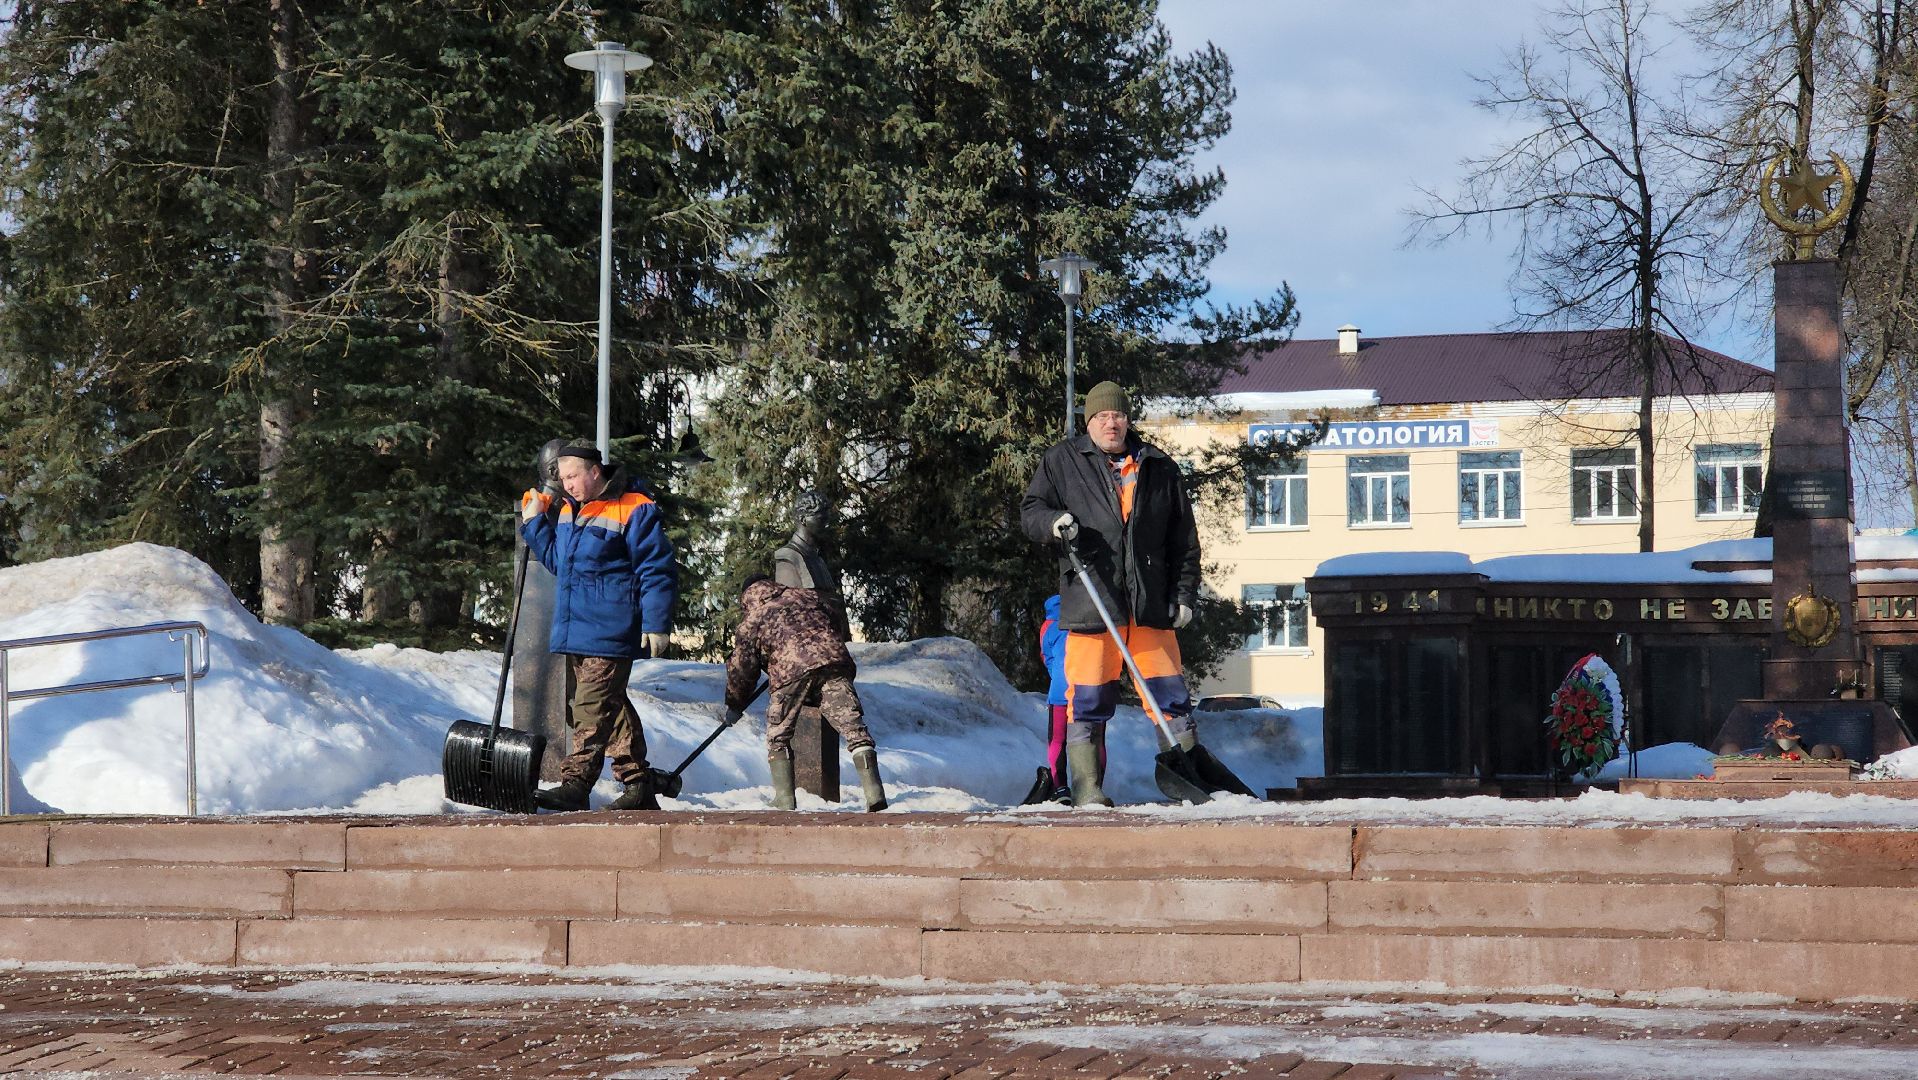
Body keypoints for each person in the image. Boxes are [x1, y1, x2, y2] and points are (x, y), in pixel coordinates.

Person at [1019, 380, 1204, 806]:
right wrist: (1053, 522)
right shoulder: (1061, 462)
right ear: (1090, 422)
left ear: (1127, 420)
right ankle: (1087, 789)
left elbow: (1184, 542)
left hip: (1150, 607)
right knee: (1086, 697)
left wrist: (1184, 597)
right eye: (1102, 416)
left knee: (1170, 696)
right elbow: (1030, 512)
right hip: (1092, 602)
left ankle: (1191, 781)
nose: (1111, 423)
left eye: (1118, 415)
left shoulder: (1160, 467)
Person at [518, 441, 678, 812]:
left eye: (573, 476)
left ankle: (576, 784)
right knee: (611, 706)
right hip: (577, 628)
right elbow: (559, 562)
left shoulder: (634, 506)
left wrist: (656, 622)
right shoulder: (567, 512)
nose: (567, 485)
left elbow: (656, 567)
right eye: (563, 478)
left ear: (594, 471)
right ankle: (637, 783)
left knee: (590, 707)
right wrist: (533, 522)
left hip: (612, 628)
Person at [723, 574, 888, 812]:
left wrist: (735, 704)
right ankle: (874, 793)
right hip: (833, 661)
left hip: (792, 671)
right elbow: (835, 620)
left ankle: (784, 798)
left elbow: (742, 670)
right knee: (853, 727)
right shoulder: (807, 597)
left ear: (746, 596)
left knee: (778, 733)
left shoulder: (753, 619)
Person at [1038, 594, 1074, 802]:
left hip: (1060, 691)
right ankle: (1091, 787)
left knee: (1058, 739)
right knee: (1091, 738)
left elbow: (1048, 658)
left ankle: (1061, 788)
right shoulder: (1082, 623)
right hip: (1087, 690)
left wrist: (1059, 678)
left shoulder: (1048, 626)